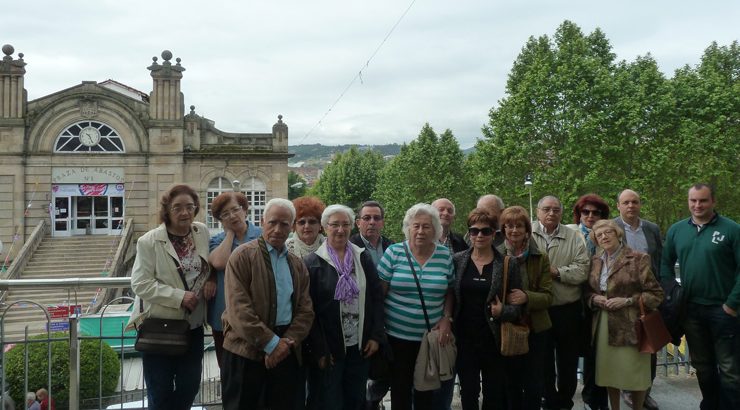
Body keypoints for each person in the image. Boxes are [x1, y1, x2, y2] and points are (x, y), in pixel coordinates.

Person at [221, 198, 315, 410]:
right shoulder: (242, 257)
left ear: (292, 227)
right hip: (245, 351)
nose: (277, 229)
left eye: (284, 224)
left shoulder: (296, 264)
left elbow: (305, 310)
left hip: (286, 350)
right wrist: (271, 344)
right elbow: (239, 310)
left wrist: (286, 343)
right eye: (272, 222)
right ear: (262, 221)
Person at [126, 184, 214, 410]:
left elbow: (208, 264)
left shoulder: (201, 231)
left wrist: (211, 278)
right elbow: (140, 283)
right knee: (160, 390)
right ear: (167, 210)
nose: (185, 213)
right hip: (159, 326)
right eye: (178, 208)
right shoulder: (149, 241)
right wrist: (179, 297)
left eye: (189, 207)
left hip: (191, 325)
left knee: (190, 385)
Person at [661, 184, 740, 410]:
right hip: (691, 311)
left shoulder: (732, 230)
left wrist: (732, 305)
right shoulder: (677, 230)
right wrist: (670, 291)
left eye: (703, 200)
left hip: (724, 310)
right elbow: (665, 263)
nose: (697, 205)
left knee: (730, 369)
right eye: (693, 200)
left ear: (713, 201)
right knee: (703, 366)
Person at [303, 204, 385, 410]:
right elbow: (308, 311)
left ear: (352, 227)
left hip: (359, 348)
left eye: (345, 224)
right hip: (329, 350)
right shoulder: (312, 263)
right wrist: (320, 350)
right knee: (329, 401)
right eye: (335, 225)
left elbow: (376, 298)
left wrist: (375, 336)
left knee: (355, 400)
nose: (340, 230)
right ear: (324, 227)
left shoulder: (362, 258)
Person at [377, 203, 455, 410]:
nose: (420, 231)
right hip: (397, 338)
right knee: (400, 391)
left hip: (429, 339)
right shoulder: (394, 253)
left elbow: (449, 290)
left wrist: (447, 317)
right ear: (408, 228)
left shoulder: (444, 255)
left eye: (426, 226)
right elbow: (379, 294)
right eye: (416, 226)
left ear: (436, 229)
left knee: (426, 393)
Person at [584, 219, 664, 410]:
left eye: (608, 232)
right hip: (603, 323)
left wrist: (628, 301)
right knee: (609, 372)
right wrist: (594, 299)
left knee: (635, 374)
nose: (604, 237)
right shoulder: (595, 261)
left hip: (631, 324)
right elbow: (587, 291)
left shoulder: (638, 258)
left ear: (617, 233)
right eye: (599, 235)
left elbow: (656, 294)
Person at [453, 207, 523, 410]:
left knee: (494, 392)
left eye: (485, 231)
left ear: (494, 233)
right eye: (474, 231)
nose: (479, 235)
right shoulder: (458, 261)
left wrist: (504, 312)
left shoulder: (508, 264)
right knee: (468, 391)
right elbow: (450, 296)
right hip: (464, 339)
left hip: (494, 339)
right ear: (469, 233)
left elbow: (518, 308)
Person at [531, 195, 589, 410]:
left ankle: (565, 402)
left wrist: (556, 272)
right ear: (538, 211)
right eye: (546, 209)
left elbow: (582, 270)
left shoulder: (573, 237)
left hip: (567, 309)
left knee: (568, 361)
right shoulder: (528, 233)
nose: (551, 213)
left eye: (556, 209)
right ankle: (548, 400)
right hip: (539, 309)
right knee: (542, 360)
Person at [497, 206, 553, 410]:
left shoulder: (540, 257)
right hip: (507, 327)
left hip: (535, 328)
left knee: (534, 383)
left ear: (527, 230)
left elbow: (548, 296)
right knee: (510, 381)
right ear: (503, 229)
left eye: (519, 226)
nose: (514, 230)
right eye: (509, 226)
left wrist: (526, 297)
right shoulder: (496, 255)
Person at [615, 189, 663, 410]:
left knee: (649, 347)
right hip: (620, 299)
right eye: (626, 202)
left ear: (640, 204)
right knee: (625, 349)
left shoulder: (651, 229)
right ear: (618, 206)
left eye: (635, 202)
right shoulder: (611, 227)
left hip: (647, 298)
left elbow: (660, 261)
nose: (631, 206)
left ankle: (646, 391)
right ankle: (627, 390)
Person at [565, 193, 610, 410]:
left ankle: (594, 398)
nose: (590, 216)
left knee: (597, 353)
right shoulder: (569, 233)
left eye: (596, 212)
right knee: (569, 353)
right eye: (586, 212)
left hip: (599, 302)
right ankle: (564, 398)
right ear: (579, 214)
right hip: (572, 299)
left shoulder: (609, 236)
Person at [207, 191, 262, 368]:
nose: (232, 216)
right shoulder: (217, 240)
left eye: (235, 210)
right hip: (224, 317)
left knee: (256, 369)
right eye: (224, 214)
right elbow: (219, 262)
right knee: (227, 370)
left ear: (245, 210)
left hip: (256, 314)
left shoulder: (263, 236)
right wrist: (230, 233)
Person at [350, 200, 394, 410]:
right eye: (366, 218)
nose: (372, 222)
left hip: (390, 320)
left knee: (384, 371)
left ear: (383, 222)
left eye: (376, 218)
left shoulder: (392, 247)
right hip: (361, 323)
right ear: (358, 222)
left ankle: (374, 402)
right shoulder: (349, 248)